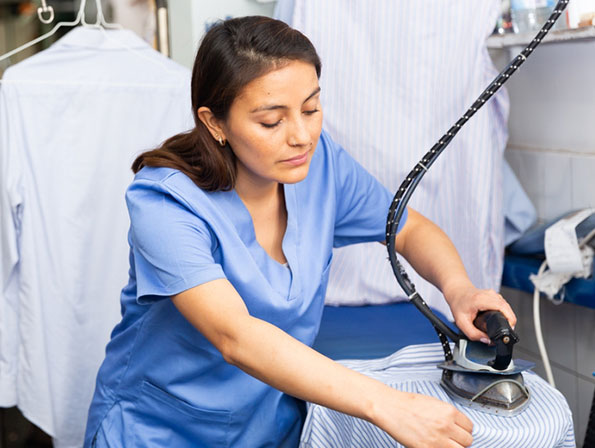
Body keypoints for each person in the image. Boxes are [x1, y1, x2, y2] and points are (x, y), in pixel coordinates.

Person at [84, 16, 517, 448]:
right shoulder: (164, 202)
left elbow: (406, 227)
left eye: (311, 109)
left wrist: (458, 289)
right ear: (214, 123)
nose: (302, 136)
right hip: (161, 431)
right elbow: (235, 336)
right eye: (272, 121)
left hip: (272, 428)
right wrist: (389, 405)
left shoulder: (319, 165)